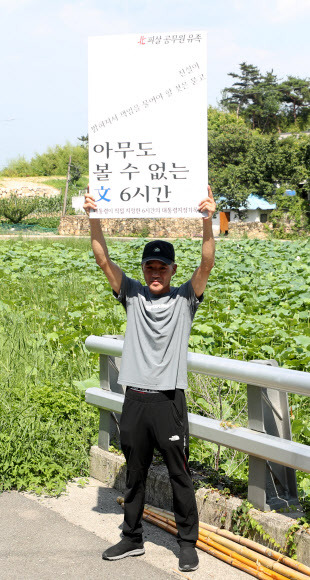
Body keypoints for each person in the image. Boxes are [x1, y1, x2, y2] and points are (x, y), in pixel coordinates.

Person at [83, 187, 216, 572]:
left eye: (162, 267)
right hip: (135, 400)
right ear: (143, 270)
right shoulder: (132, 296)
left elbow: (206, 264)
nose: (155, 272)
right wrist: (93, 214)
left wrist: (208, 220)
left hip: (169, 401)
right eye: (150, 267)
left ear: (173, 271)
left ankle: (186, 542)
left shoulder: (184, 300)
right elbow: (102, 257)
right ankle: (131, 537)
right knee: (135, 473)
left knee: (179, 475)